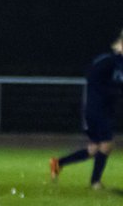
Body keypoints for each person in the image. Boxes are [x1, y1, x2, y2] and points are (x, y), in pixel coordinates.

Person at [49, 31, 123, 189]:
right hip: (97, 108)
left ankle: (59, 162)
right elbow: (91, 75)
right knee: (106, 145)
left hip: (105, 109)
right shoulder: (108, 60)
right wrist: (108, 91)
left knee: (94, 149)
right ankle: (95, 182)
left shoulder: (118, 63)